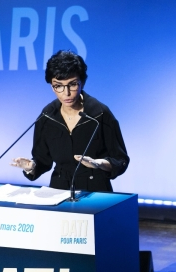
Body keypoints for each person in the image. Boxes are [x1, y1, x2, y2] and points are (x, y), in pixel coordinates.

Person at [11, 50, 129, 192]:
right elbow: (42, 159)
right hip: (58, 190)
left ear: (82, 82)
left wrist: (99, 164)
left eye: (72, 84)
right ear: (52, 86)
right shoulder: (47, 115)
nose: (66, 93)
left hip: (95, 191)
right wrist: (32, 166)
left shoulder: (100, 114)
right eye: (58, 86)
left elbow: (120, 160)